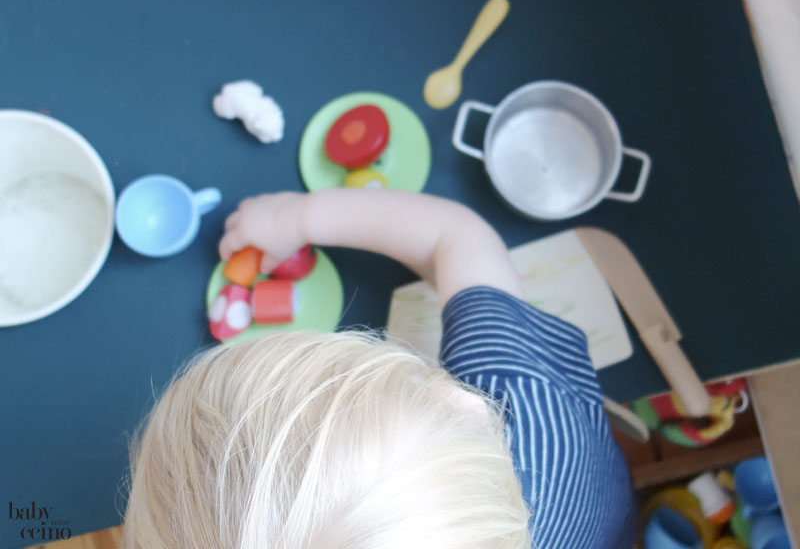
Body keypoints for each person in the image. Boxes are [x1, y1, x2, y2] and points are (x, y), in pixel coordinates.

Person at [123, 189, 635, 549]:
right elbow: (457, 235)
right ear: (465, 403)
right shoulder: (519, 385)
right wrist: (296, 217)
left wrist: (296, 219)